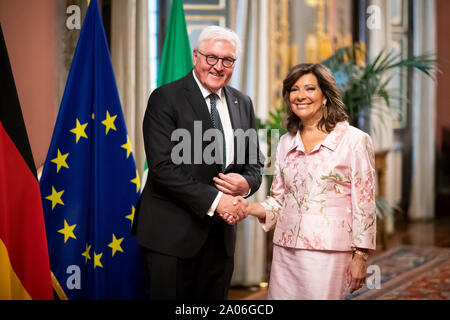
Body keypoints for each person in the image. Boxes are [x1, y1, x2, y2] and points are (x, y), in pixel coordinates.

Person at [132, 26, 264, 300]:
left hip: (220, 239)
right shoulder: (165, 98)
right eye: (211, 57)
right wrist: (219, 201)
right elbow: (162, 168)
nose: (218, 67)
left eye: (227, 60)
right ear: (196, 57)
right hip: (171, 236)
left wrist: (246, 185)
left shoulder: (243, 102)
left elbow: (253, 164)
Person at [229, 63, 376, 299]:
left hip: (328, 251)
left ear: (326, 95)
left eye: (310, 89)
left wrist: (360, 255)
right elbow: (279, 199)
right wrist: (246, 207)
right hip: (286, 250)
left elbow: (365, 202)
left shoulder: (354, 140)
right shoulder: (286, 142)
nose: (301, 96)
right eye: (294, 90)